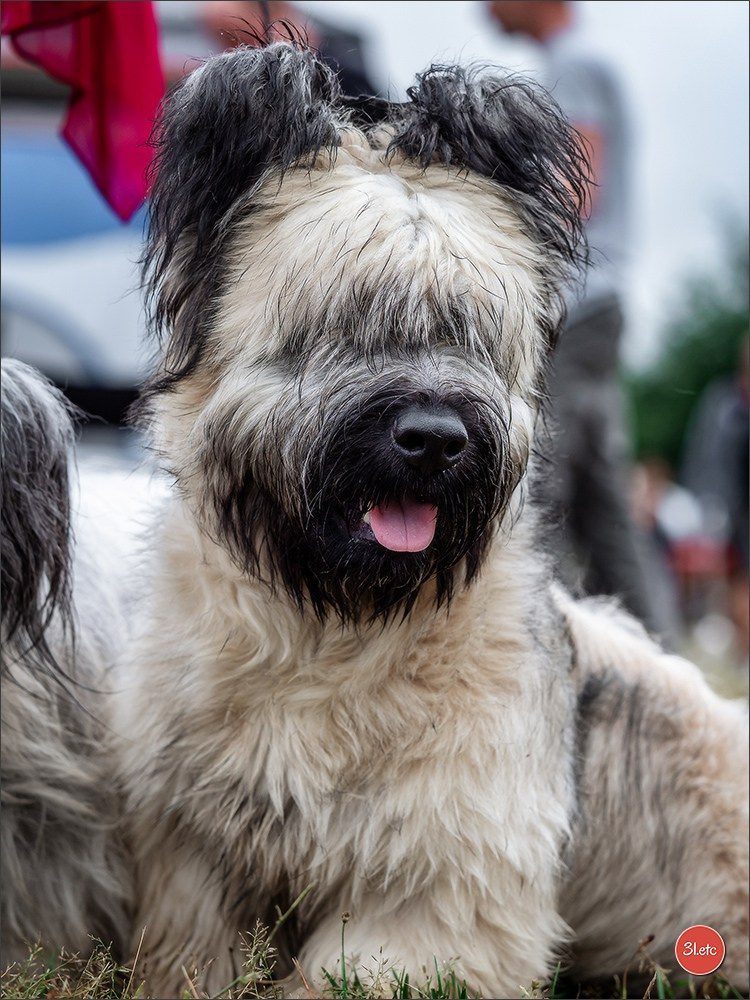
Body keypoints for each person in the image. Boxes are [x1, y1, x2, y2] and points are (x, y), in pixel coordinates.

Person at [488, 0, 662, 633]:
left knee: (536, 487)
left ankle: (554, 648)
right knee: (601, 500)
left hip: (576, 307)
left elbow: (574, 192)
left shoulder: (573, 65)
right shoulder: (582, 63)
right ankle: (655, 655)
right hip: (603, 306)